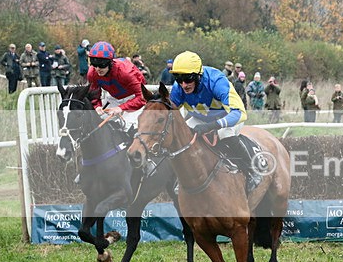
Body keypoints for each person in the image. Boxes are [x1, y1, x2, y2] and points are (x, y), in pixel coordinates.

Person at [168, 51, 262, 191]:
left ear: (198, 76)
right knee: (182, 137)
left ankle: (252, 171)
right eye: (178, 79)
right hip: (201, 118)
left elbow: (239, 113)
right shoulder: (179, 88)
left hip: (228, 117)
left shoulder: (217, 81)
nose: (183, 84)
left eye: (187, 79)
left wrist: (213, 126)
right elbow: (169, 112)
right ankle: (182, 177)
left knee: (225, 133)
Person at [86, 41, 146, 130]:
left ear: (110, 62)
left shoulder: (126, 72)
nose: (98, 69)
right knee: (99, 123)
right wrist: (97, 106)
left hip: (133, 99)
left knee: (127, 128)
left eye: (101, 65)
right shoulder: (92, 73)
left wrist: (121, 108)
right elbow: (94, 95)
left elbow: (142, 97)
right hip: (114, 98)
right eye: (95, 64)